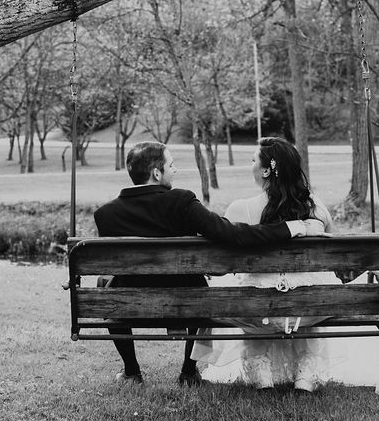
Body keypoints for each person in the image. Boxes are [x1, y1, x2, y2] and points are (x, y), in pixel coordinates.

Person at [192, 137, 379, 394]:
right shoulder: (317, 209)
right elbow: (342, 263)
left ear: (265, 171)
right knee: (313, 282)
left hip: (254, 309)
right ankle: (304, 377)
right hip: (313, 308)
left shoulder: (240, 209)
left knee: (247, 285)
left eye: (252, 160)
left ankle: (262, 375)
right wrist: (372, 267)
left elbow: (219, 263)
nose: (249, 165)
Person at [93, 141, 324, 387]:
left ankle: (131, 371)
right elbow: (233, 235)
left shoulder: (106, 215)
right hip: (189, 301)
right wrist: (293, 226)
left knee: (105, 283)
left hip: (128, 304)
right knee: (199, 283)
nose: (175, 171)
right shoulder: (182, 202)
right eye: (171, 165)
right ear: (157, 173)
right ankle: (188, 371)